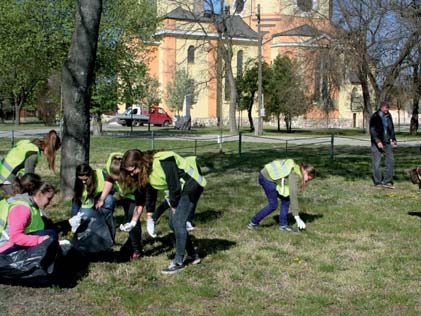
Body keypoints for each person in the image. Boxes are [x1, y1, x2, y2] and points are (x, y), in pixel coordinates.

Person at [119, 149, 206, 274]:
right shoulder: (146, 170)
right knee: (173, 223)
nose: (131, 174)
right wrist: (151, 217)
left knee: (177, 222)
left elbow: (174, 185)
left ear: (139, 162)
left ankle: (178, 262)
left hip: (192, 184)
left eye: (132, 170)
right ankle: (193, 255)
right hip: (180, 190)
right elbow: (151, 193)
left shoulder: (164, 160)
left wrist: (174, 207)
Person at [95, 153, 142, 259]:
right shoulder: (112, 166)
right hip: (125, 196)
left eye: (118, 180)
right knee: (129, 221)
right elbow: (109, 181)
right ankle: (132, 243)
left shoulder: (133, 173)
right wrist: (102, 199)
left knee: (133, 221)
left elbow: (141, 199)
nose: (117, 181)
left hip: (135, 196)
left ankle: (137, 249)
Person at [248, 159, 315, 232]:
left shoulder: (297, 169)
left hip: (268, 176)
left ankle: (283, 226)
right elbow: (293, 195)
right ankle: (253, 223)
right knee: (273, 205)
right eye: (308, 178)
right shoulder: (295, 174)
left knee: (286, 200)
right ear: (305, 171)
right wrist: (297, 217)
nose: (308, 180)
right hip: (266, 178)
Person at [146, 156, 205, 236]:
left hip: (190, 175)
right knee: (172, 200)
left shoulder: (190, 173)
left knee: (190, 199)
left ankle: (187, 221)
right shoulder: (164, 171)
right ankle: (155, 218)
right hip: (181, 177)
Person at [0, 182, 57, 254]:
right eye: (48, 199)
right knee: (51, 234)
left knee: (50, 231)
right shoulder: (22, 208)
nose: (50, 202)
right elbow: (15, 237)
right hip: (6, 249)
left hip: (11, 245)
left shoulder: (32, 206)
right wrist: (40, 239)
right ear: (39, 194)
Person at [0, 130, 61, 195]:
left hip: (3, 174)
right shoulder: (33, 154)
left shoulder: (27, 143)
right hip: (7, 180)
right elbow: (28, 179)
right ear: (50, 148)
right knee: (22, 201)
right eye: (54, 151)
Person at [369, 101, 397, 189]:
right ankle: (378, 182)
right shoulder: (375, 116)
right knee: (377, 163)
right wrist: (377, 141)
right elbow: (372, 130)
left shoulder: (389, 116)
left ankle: (387, 181)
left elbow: (391, 128)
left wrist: (394, 139)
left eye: (388, 108)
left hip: (387, 141)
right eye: (386, 108)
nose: (387, 110)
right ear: (381, 107)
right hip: (376, 142)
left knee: (390, 161)